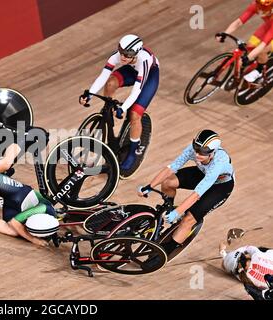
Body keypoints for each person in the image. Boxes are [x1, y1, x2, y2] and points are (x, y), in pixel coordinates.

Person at [138, 129, 234, 258]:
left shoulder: (218, 162)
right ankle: (168, 208)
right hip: (202, 174)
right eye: (196, 148)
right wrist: (150, 186)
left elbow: (196, 194)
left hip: (220, 186)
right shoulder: (193, 150)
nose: (197, 154)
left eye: (203, 152)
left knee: (188, 219)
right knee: (167, 182)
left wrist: (177, 213)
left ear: (212, 153)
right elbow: (171, 168)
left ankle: (167, 251)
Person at [79, 34, 160, 171]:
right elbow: (103, 76)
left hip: (148, 77)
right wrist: (90, 94)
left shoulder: (144, 60)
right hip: (131, 69)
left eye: (128, 55)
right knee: (110, 83)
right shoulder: (119, 56)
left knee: (134, 114)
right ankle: (108, 110)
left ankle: (133, 152)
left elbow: (136, 91)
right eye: (122, 53)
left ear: (136, 54)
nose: (123, 57)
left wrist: (123, 108)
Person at [216, 0, 273, 83]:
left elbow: (263, 45)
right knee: (250, 45)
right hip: (269, 25)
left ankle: (259, 70)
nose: (260, 11)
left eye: (264, 10)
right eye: (259, 8)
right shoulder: (256, 5)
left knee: (262, 50)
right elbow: (239, 22)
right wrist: (225, 33)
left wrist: (248, 58)